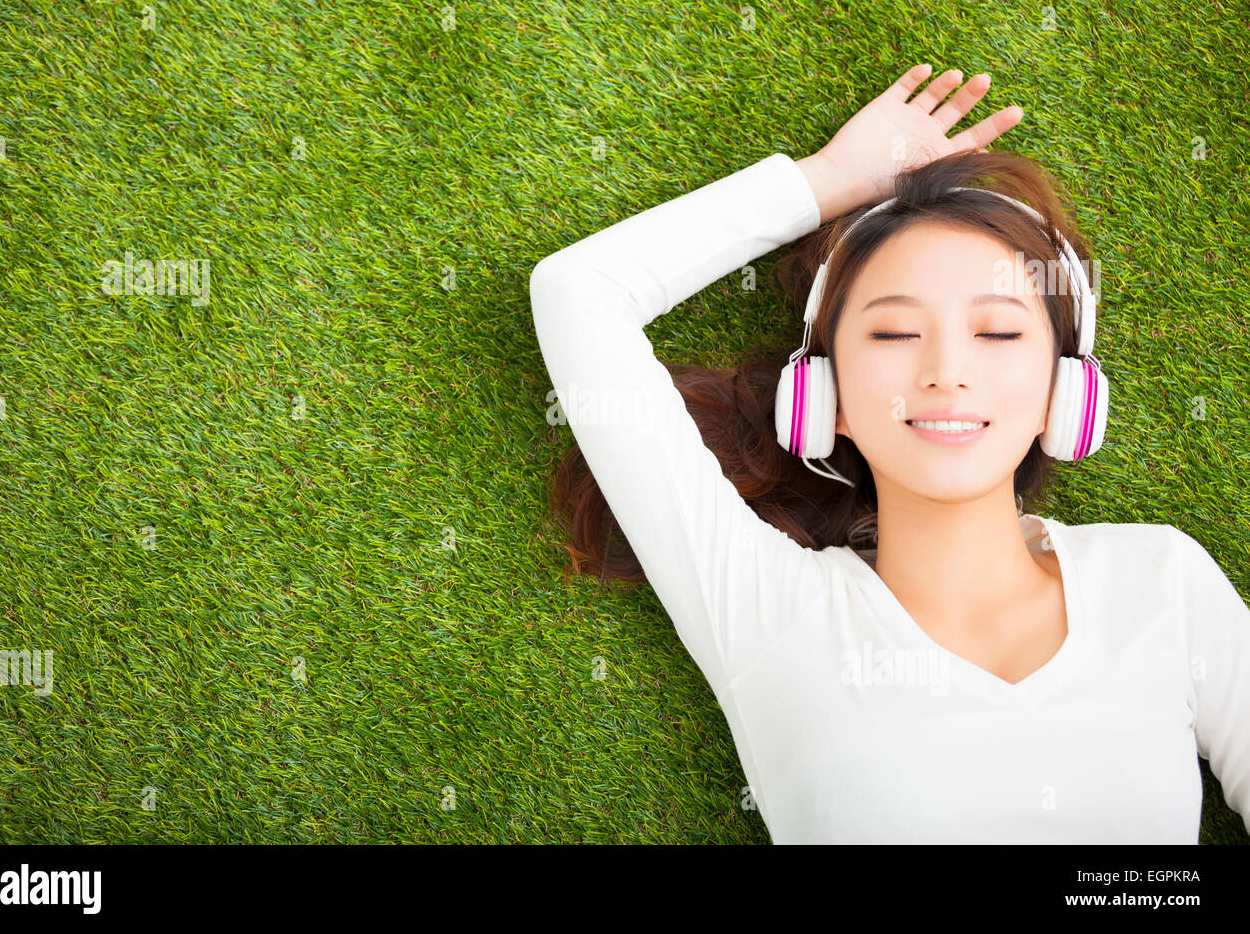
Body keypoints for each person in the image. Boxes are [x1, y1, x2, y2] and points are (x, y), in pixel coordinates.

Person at [530, 64, 1249, 843]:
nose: (945, 370)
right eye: (894, 332)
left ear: (1065, 392)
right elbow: (580, 293)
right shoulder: (768, 611)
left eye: (1000, 332)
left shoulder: (1163, 582)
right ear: (820, 398)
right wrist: (829, 180)